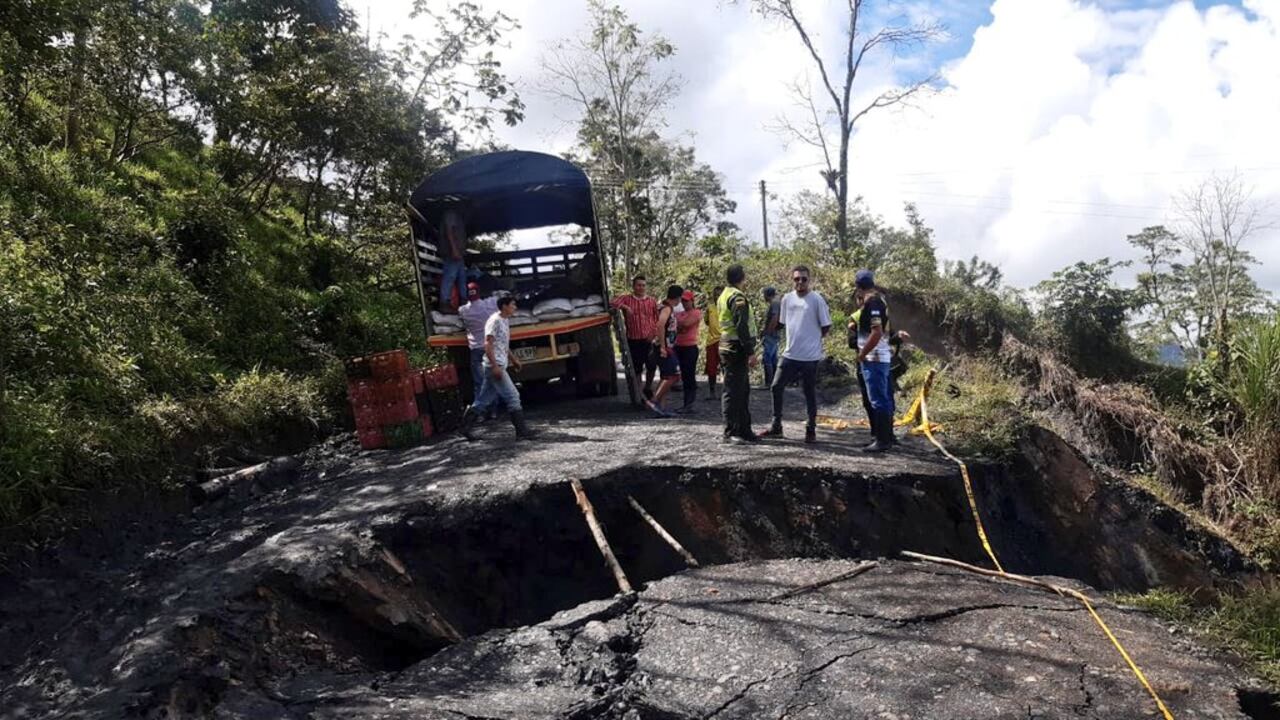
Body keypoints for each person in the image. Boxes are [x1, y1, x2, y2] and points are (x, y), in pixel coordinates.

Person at [761, 265, 831, 444]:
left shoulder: (817, 300)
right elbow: (783, 322)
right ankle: (776, 426)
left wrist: (813, 341)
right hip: (789, 354)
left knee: (809, 392)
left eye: (804, 279)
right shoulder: (787, 299)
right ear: (792, 280)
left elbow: (826, 326)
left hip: (810, 357)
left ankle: (811, 429)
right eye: (797, 279)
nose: (800, 282)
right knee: (776, 386)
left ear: (810, 280)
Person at [459, 296, 535, 440]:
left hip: (499, 364)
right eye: (513, 305)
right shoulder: (495, 321)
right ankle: (522, 432)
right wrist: (495, 367)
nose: (515, 307)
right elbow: (487, 345)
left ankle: (465, 426)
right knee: (513, 397)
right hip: (495, 365)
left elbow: (503, 345)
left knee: (483, 400)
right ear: (504, 306)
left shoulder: (505, 321)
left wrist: (514, 360)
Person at [852, 269, 895, 452]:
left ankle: (883, 440)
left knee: (878, 399)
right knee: (880, 398)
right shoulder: (876, 301)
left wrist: (863, 354)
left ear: (858, 287)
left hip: (874, 358)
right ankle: (882, 437)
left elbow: (876, 332)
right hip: (877, 357)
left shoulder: (874, 302)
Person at [718, 265, 759, 444]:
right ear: (743, 277)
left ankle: (744, 429)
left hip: (730, 347)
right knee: (734, 391)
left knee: (742, 390)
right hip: (735, 348)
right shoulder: (737, 297)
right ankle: (731, 431)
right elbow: (741, 325)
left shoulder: (724, 294)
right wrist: (750, 351)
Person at [611, 275, 659, 399]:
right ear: (633, 286)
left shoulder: (651, 301)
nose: (641, 287)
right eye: (638, 285)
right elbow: (613, 302)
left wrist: (654, 333)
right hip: (634, 339)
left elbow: (657, 319)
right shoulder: (627, 299)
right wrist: (625, 307)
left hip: (649, 339)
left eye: (643, 285)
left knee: (652, 366)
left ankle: (647, 387)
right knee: (637, 368)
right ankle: (640, 394)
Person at [646, 285, 685, 417]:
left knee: (665, 376)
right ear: (678, 297)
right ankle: (654, 401)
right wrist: (663, 346)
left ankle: (661, 408)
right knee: (674, 375)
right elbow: (660, 325)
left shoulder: (661, 306)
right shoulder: (666, 308)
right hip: (664, 346)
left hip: (664, 345)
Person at [458, 282, 499, 399]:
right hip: (489, 347)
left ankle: (481, 410)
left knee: (479, 381)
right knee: (493, 378)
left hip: (476, 349)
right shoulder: (489, 304)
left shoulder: (463, 310)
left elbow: (461, 320)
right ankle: (494, 410)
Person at [673, 289, 702, 413]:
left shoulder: (696, 313)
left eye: (686, 301)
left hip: (690, 347)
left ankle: (689, 403)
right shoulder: (679, 314)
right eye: (683, 301)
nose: (684, 303)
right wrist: (678, 326)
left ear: (692, 301)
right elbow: (674, 325)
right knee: (681, 375)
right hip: (678, 346)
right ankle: (686, 403)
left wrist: (678, 326)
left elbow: (685, 324)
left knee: (689, 375)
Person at [439, 209, 468, 310]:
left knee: (462, 278)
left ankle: (464, 303)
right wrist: (454, 249)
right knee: (450, 277)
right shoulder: (451, 214)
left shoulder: (458, 217)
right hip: (451, 253)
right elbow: (449, 231)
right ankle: (444, 303)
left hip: (459, 253)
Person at [703, 285, 723, 401]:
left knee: (726, 367)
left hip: (724, 340)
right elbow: (706, 321)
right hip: (711, 341)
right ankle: (712, 391)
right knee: (711, 368)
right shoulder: (710, 308)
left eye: (720, 295)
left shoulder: (728, 308)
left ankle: (726, 392)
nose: (717, 297)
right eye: (715, 295)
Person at [760, 287, 781, 389]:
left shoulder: (775, 303)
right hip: (775, 334)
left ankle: (769, 383)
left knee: (767, 358)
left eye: (764, 294)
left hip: (772, 334)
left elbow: (775, 318)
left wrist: (767, 332)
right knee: (773, 358)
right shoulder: (777, 302)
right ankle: (774, 382)